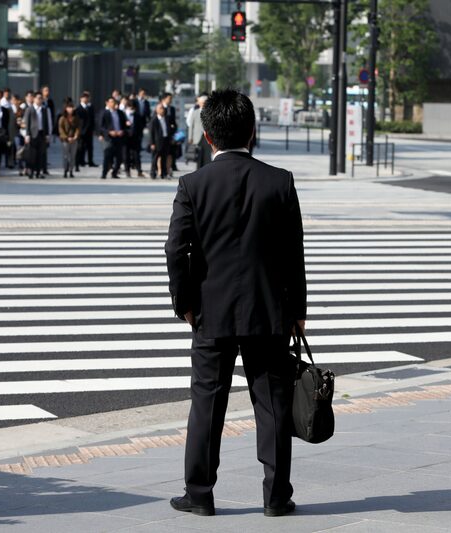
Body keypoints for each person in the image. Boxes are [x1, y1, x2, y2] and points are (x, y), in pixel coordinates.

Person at [164, 88, 306, 518]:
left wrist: (183, 302)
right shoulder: (279, 181)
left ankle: (200, 494)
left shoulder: (192, 185)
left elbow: (175, 249)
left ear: (208, 138)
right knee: (273, 403)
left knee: (207, 401)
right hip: (270, 310)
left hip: (211, 310)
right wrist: (298, 311)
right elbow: (293, 251)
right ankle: (276, 496)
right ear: (253, 131)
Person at [22, 91, 50, 179]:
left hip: (41, 133)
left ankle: (38, 172)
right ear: (34, 99)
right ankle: (31, 172)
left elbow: (46, 123)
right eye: (38, 98)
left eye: (41, 98)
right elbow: (27, 122)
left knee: (40, 154)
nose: (40, 100)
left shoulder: (44, 109)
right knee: (32, 154)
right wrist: (27, 135)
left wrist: (47, 134)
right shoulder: (30, 109)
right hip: (32, 134)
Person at [98, 96, 127, 179]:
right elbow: (101, 126)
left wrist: (122, 131)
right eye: (111, 102)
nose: (113, 104)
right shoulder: (104, 113)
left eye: (114, 102)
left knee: (119, 157)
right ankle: (104, 173)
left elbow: (124, 125)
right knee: (107, 155)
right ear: (107, 103)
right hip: (109, 138)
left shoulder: (120, 113)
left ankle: (115, 172)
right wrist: (108, 132)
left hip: (119, 137)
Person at [149, 103, 173, 179]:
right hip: (157, 142)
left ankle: (163, 173)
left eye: (163, 108)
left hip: (165, 140)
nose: (162, 110)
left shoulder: (166, 118)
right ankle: (153, 173)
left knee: (164, 158)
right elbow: (151, 133)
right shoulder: (154, 120)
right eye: (160, 108)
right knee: (155, 159)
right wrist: (152, 143)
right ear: (156, 110)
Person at [187, 94, 211, 169]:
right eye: (201, 102)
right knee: (198, 155)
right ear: (199, 103)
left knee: (207, 154)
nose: (203, 104)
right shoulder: (195, 112)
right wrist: (190, 137)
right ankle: (198, 170)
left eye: (204, 102)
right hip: (197, 137)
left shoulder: (210, 112)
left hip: (207, 136)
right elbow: (191, 126)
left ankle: (207, 169)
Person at [58, 99, 81, 178]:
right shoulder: (62, 118)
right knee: (65, 156)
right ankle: (65, 170)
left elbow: (78, 127)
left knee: (72, 156)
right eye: (68, 108)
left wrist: (75, 136)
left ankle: (71, 170)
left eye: (71, 107)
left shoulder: (76, 117)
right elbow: (60, 129)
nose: (70, 109)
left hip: (74, 139)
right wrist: (66, 137)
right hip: (65, 140)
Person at [125, 95, 144, 177]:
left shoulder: (138, 116)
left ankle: (139, 170)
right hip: (125, 138)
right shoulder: (122, 114)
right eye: (130, 107)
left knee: (136, 155)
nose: (132, 110)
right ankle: (127, 170)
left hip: (135, 138)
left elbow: (140, 127)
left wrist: (140, 137)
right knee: (126, 155)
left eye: (133, 108)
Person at [75, 91, 96, 169]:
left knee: (90, 147)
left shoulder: (90, 107)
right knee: (81, 147)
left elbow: (92, 119)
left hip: (89, 130)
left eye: (87, 98)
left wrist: (93, 128)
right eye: (84, 98)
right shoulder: (78, 108)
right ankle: (81, 161)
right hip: (81, 130)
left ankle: (90, 161)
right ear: (81, 99)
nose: (86, 99)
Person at [161, 92, 178, 174]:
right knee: (161, 154)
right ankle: (160, 170)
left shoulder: (172, 109)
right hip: (161, 135)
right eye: (169, 99)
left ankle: (168, 169)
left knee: (170, 153)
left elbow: (174, 122)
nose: (170, 100)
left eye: (171, 99)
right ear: (164, 99)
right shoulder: (159, 108)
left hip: (170, 134)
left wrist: (174, 129)